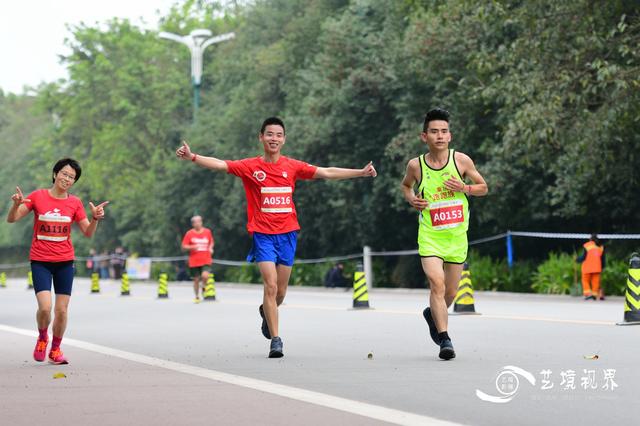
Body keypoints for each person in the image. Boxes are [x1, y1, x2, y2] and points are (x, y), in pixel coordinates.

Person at [176, 117, 376, 358]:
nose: (274, 138)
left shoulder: (291, 167)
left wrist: (361, 172)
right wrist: (193, 157)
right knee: (270, 286)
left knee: (280, 292)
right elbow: (220, 164)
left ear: (284, 139)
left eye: (278, 135)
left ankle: (266, 312)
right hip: (263, 236)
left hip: (288, 235)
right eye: (269, 134)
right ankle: (276, 340)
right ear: (261, 137)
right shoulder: (250, 167)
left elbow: (326, 172)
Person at [400, 108, 488, 360]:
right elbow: (406, 186)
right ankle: (445, 340)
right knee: (436, 284)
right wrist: (412, 199)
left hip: (457, 237)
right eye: (434, 131)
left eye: (444, 131)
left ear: (449, 136)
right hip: (430, 236)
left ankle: (433, 315)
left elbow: (484, 187)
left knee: (450, 293)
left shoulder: (461, 161)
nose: (439, 136)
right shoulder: (416, 165)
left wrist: (464, 187)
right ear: (424, 136)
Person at [6, 158, 108, 365]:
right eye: (64, 174)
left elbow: (88, 232)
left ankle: (56, 349)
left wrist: (95, 218)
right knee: (45, 308)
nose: (67, 179)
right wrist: (15, 205)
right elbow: (12, 219)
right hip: (41, 261)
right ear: (55, 174)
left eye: (72, 177)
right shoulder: (38, 197)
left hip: (64, 261)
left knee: (61, 310)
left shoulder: (75, 203)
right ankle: (43, 337)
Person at [181, 215, 214, 303]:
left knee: (205, 275)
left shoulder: (207, 232)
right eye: (195, 222)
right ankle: (197, 296)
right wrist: (192, 247)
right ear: (192, 224)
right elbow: (183, 246)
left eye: (199, 221)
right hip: (194, 261)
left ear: (202, 222)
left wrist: (210, 248)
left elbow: (211, 242)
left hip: (206, 259)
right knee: (196, 280)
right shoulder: (189, 234)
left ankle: (204, 286)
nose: (198, 223)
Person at [576, 233, 606, 300]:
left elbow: (583, 257)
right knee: (595, 282)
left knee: (585, 280)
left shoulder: (587, 246)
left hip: (587, 268)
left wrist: (577, 259)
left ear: (590, 239)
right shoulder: (600, 247)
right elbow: (603, 259)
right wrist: (603, 267)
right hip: (597, 268)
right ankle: (594, 295)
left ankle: (588, 294)